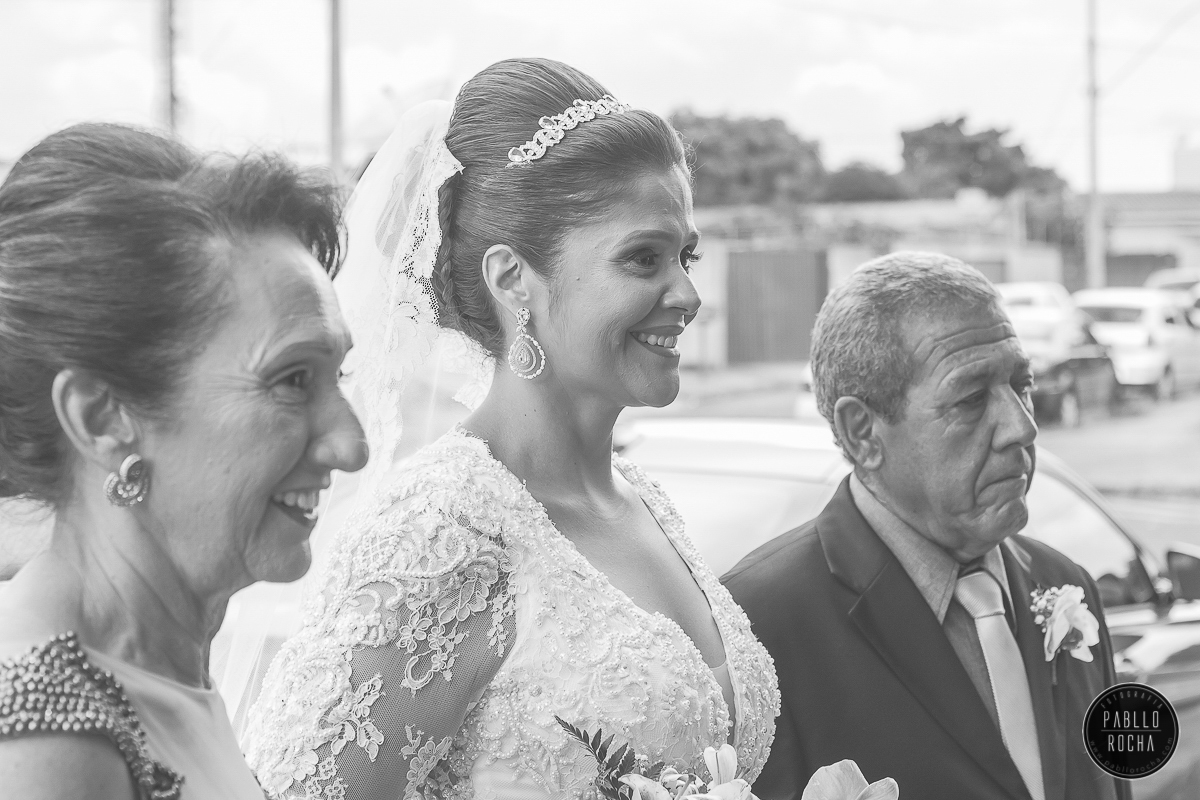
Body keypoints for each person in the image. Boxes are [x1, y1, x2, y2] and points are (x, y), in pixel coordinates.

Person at [239, 58, 780, 800]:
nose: (687, 293)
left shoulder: (646, 501)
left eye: (686, 255)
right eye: (643, 258)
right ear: (513, 280)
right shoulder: (444, 533)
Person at [0, 123, 369, 799]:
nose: (351, 445)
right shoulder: (43, 744)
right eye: (292, 381)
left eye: (337, 376)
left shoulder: (155, 659)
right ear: (102, 419)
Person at [723, 252, 1130, 800]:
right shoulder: (760, 629)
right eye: (970, 398)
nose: (1022, 427)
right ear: (863, 432)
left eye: (1021, 384)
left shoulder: (1065, 583)